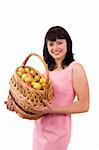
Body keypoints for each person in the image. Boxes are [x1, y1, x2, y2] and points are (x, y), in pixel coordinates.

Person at [5, 26, 90, 150]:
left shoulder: (75, 68)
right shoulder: (46, 71)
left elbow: (84, 105)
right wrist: (17, 105)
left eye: (59, 43)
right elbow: (37, 102)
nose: (55, 48)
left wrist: (52, 110)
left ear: (68, 44)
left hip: (59, 132)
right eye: (51, 44)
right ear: (47, 46)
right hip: (40, 128)